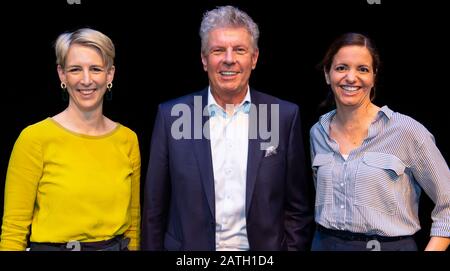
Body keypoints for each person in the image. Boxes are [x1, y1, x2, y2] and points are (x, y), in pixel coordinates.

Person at [142, 5, 313, 251]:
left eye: (239, 50)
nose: (229, 59)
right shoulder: (171, 116)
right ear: (204, 59)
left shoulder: (283, 116)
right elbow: (154, 210)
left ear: (254, 58)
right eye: (218, 50)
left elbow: (298, 209)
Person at [0, 28, 140, 251]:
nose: (86, 80)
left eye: (95, 69)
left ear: (110, 74)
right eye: (75, 69)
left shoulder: (127, 139)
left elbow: (133, 225)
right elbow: (13, 231)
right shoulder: (34, 139)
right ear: (62, 75)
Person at [310, 32, 450, 251]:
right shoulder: (317, 132)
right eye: (341, 68)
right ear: (327, 75)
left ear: (374, 76)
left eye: (362, 69)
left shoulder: (406, 131)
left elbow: (448, 202)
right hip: (325, 244)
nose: (351, 77)